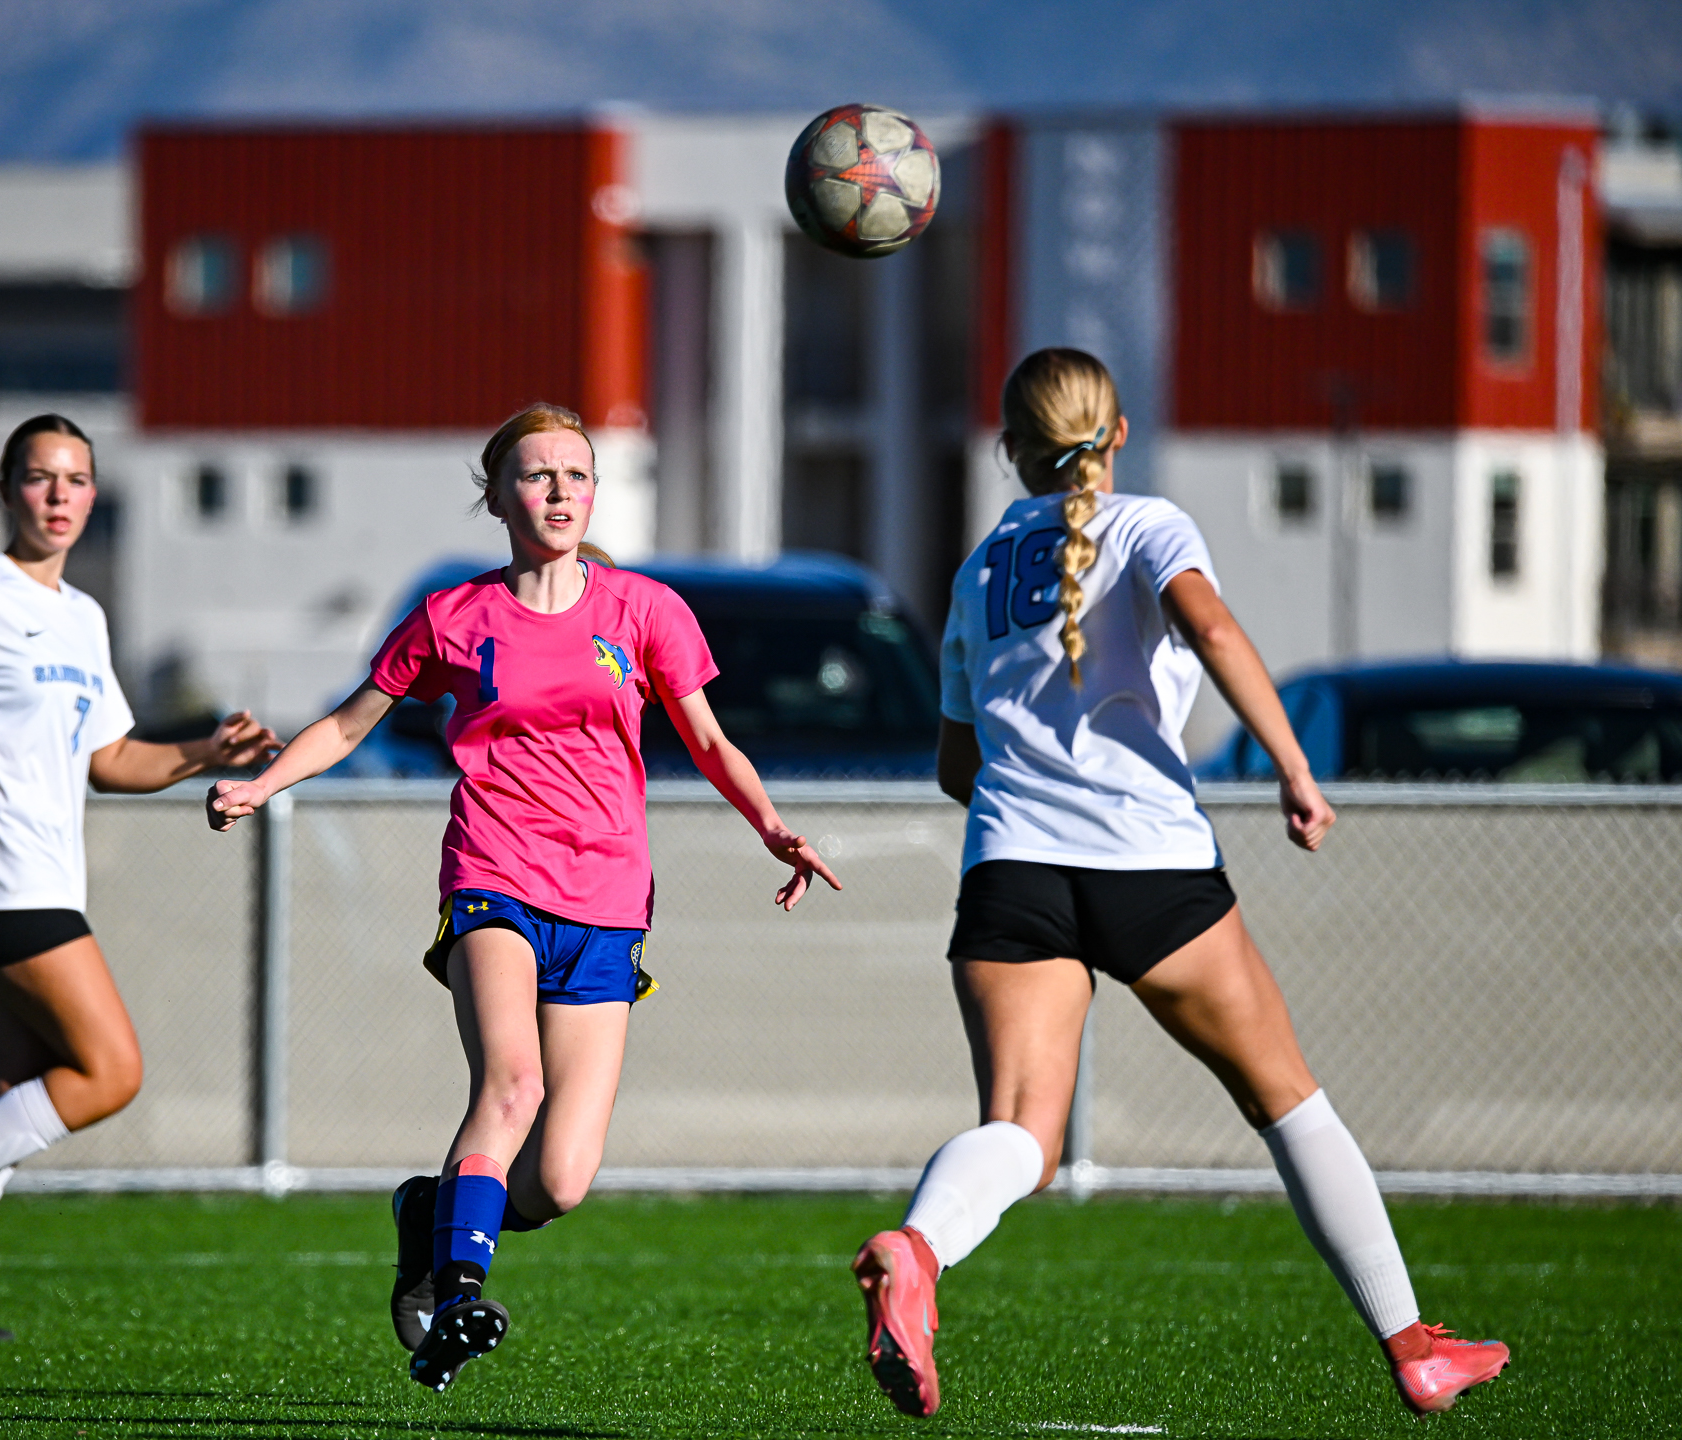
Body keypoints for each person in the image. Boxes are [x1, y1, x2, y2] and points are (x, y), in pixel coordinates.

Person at [852, 350, 1509, 1420]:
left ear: (1011, 451)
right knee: (1289, 1102)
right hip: (1149, 866)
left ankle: (919, 1248)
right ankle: (1413, 1348)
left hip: (1010, 869)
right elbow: (1207, 623)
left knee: (1023, 1132)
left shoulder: (976, 571)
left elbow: (955, 770)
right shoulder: (1148, 523)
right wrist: (1295, 769)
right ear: (1113, 438)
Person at [206, 402, 841, 1392]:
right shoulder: (453, 618)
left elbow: (710, 741)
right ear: (497, 496)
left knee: (558, 1180)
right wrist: (262, 783)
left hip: (607, 901)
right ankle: (457, 1293)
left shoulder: (646, 611)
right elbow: (347, 723)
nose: (558, 492)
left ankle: (430, 1216)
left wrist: (774, 828)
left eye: (576, 476)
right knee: (512, 1086)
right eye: (537, 476)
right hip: (494, 878)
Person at [0, 414, 278, 1340]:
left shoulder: (82, 616)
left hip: (46, 881)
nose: (58, 496)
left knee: (20, 1090)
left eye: (77, 480)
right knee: (111, 1071)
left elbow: (111, 758)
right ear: (7, 492)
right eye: (40, 478)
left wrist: (206, 751)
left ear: (93, 494)